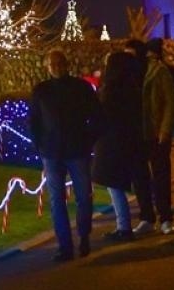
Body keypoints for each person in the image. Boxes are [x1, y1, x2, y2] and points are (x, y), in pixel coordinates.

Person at [29, 49, 99, 261]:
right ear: (48, 67)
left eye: (59, 63)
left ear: (66, 64)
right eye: (52, 64)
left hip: (77, 149)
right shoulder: (41, 90)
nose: (56, 67)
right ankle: (65, 246)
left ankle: (84, 236)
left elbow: (96, 115)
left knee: (83, 197)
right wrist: (40, 146)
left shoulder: (80, 88)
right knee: (56, 201)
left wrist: (88, 140)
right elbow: (34, 121)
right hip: (52, 151)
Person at [94, 49, 142, 242]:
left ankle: (124, 226)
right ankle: (124, 225)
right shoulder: (132, 88)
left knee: (114, 185)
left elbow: (103, 115)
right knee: (117, 185)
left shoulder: (112, 90)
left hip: (112, 143)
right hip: (126, 140)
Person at [141, 38, 174, 234]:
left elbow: (171, 101)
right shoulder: (138, 71)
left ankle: (165, 217)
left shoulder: (160, 71)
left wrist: (165, 129)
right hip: (142, 131)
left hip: (155, 132)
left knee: (160, 175)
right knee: (143, 177)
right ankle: (148, 217)